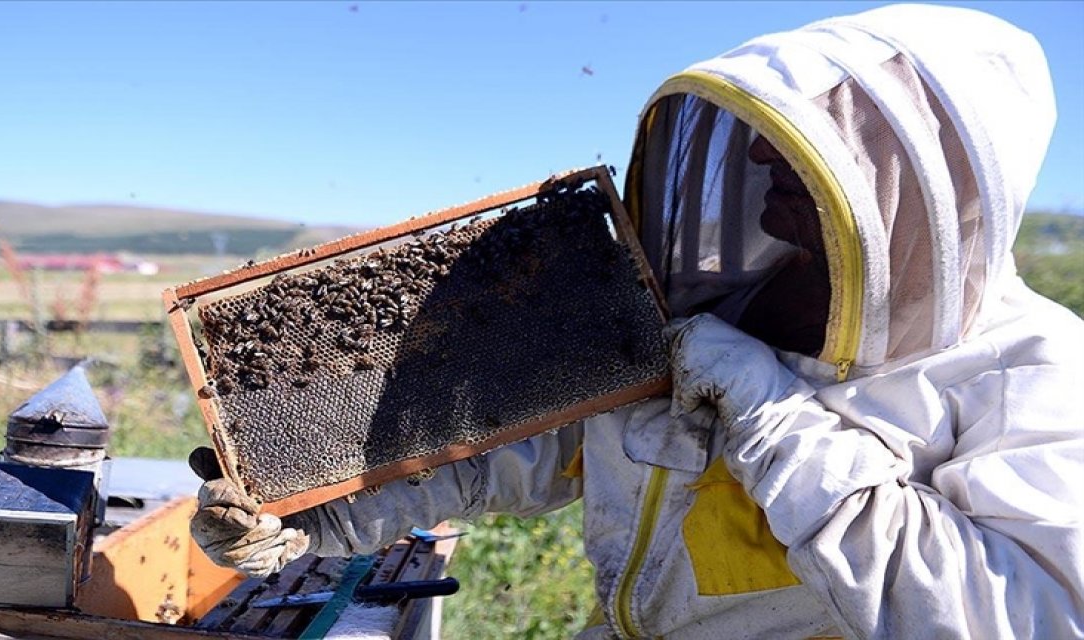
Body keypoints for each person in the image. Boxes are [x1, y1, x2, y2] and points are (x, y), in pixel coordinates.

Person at [188, 4, 1084, 638]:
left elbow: (1021, 621)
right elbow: (530, 445)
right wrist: (326, 509)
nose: (768, 171)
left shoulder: (1034, 381)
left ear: (936, 193)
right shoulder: (718, 308)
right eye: (765, 149)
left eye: (812, 160)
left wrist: (779, 423)